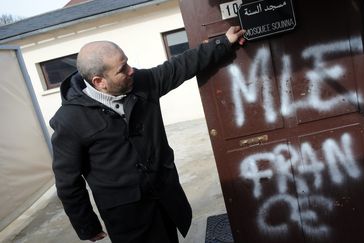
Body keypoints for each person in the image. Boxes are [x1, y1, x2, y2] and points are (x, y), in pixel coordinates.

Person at [49, 26, 245, 243]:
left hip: (165, 201)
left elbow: (179, 67)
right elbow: (68, 182)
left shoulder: (142, 83)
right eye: (122, 69)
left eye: (127, 62)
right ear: (99, 82)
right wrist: (87, 225)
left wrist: (223, 43)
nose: (131, 70)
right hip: (128, 218)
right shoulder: (69, 120)